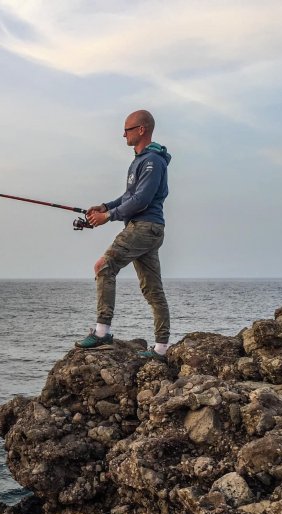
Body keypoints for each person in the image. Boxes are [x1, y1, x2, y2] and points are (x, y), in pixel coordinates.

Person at [75, 109, 172, 359]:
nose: (123, 134)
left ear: (141, 130)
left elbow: (141, 199)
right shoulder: (140, 160)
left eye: (127, 129)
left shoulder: (152, 161)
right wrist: (106, 206)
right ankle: (161, 348)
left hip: (143, 227)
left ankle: (101, 331)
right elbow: (129, 196)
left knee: (104, 266)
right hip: (148, 228)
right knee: (153, 289)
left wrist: (108, 217)